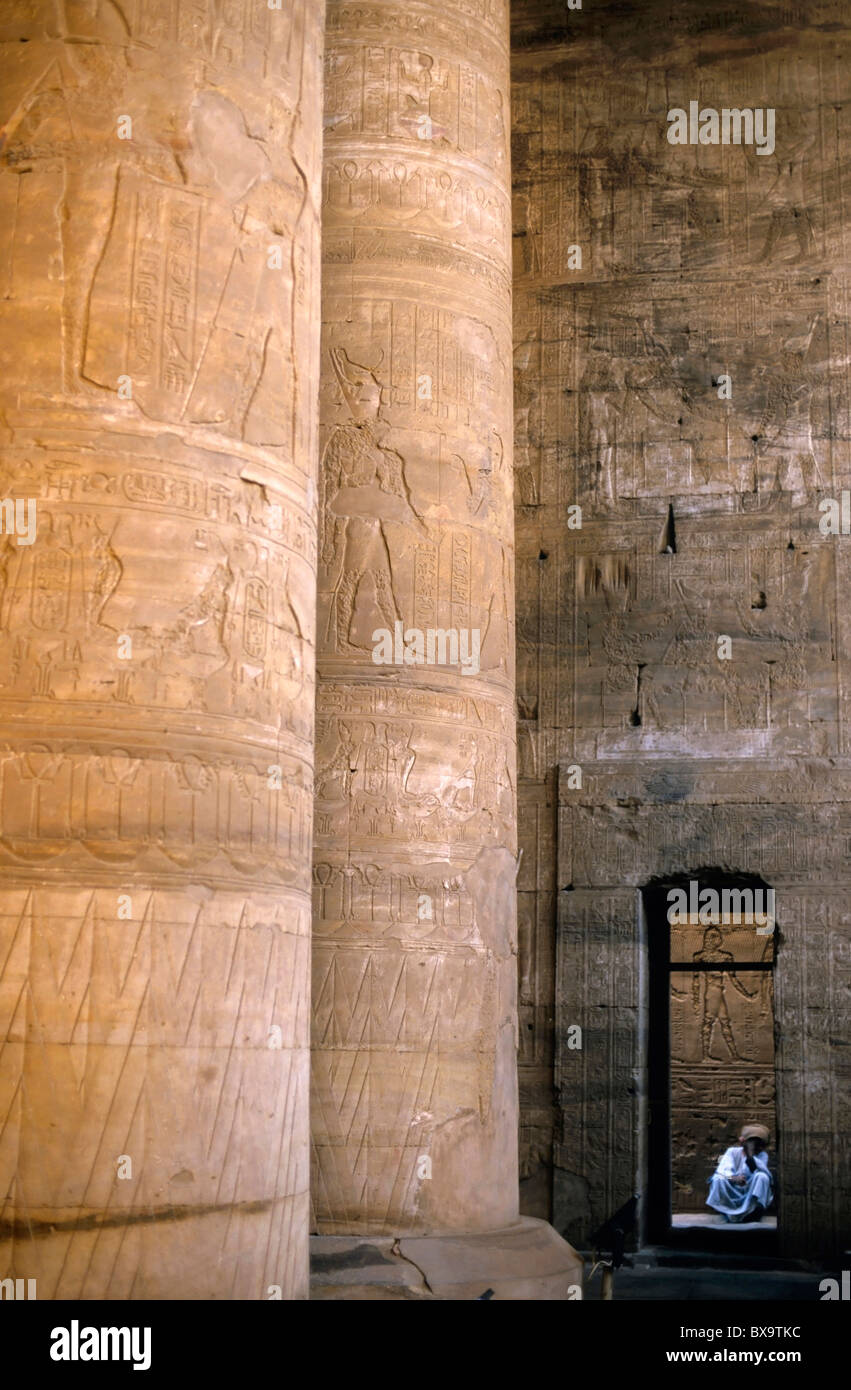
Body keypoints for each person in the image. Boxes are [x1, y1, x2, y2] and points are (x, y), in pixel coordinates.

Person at [706, 1124, 773, 1223]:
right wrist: (733, 1178)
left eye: (759, 1145)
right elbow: (723, 1170)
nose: (758, 1147)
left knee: (762, 1177)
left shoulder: (762, 1155)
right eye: (753, 1143)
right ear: (743, 1142)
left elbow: (759, 1170)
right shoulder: (732, 1152)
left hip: (750, 1189)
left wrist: (750, 1155)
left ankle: (753, 1212)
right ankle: (727, 1211)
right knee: (717, 1178)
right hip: (733, 1186)